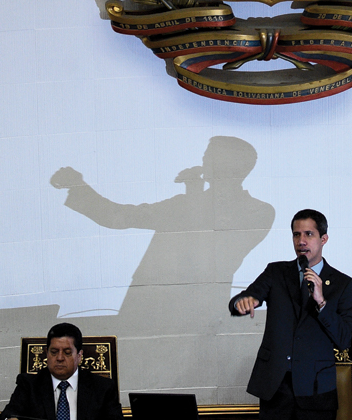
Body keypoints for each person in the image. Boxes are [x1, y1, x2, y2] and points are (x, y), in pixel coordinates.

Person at [50, 136, 274, 331]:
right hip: (145, 305)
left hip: (198, 315)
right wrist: (78, 187)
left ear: (227, 165)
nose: (203, 162)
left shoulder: (257, 211)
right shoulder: (184, 204)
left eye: (209, 156)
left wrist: (194, 192)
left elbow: (209, 251)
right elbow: (118, 216)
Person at [229, 209, 352, 420]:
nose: (301, 241)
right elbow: (248, 296)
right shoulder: (276, 272)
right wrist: (242, 302)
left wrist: (321, 302)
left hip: (316, 391)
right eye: (296, 235)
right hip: (276, 388)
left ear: (323, 239)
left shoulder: (342, 284)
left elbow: (345, 339)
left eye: (309, 234)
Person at [0, 322, 122, 420]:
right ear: (47, 353)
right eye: (54, 352)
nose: (59, 358)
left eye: (67, 353)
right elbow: (8, 415)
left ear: (79, 356)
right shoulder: (29, 385)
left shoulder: (103, 388)